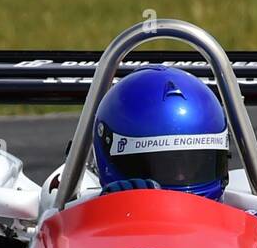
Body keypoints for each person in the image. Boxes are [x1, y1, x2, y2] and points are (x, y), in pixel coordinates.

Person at [92, 66, 230, 199]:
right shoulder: (82, 218)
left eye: (195, 165)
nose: (181, 176)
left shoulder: (245, 216)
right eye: (166, 167)